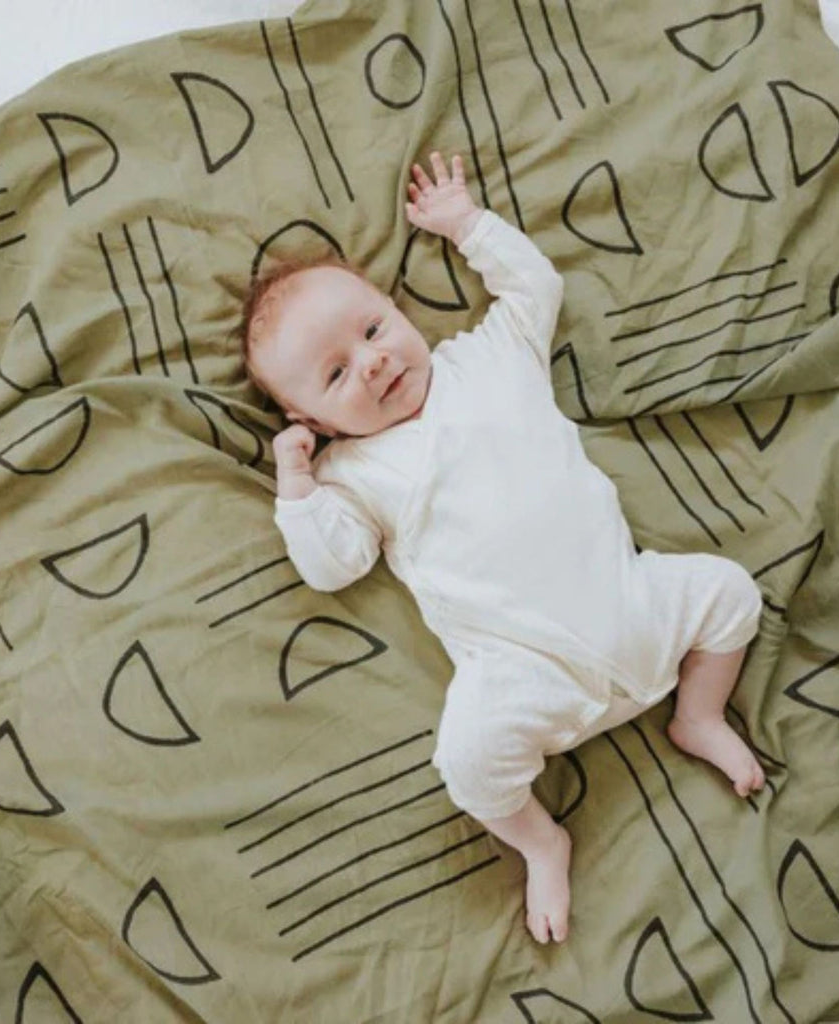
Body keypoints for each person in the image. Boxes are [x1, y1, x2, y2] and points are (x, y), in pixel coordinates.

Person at [241, 152, 764, 944]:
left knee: (732, 595)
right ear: (313, 422)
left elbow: (536, 287)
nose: (375, 360)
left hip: (633, 601)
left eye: (375, 328)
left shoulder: (487, 357)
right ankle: (541, 840)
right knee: (467, 764)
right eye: (338, 372)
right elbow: (329, 566)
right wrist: (296, 491)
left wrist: (467, 226)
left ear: (396, 310)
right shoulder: (355, 474)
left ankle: (697, 712)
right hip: (524, 671)